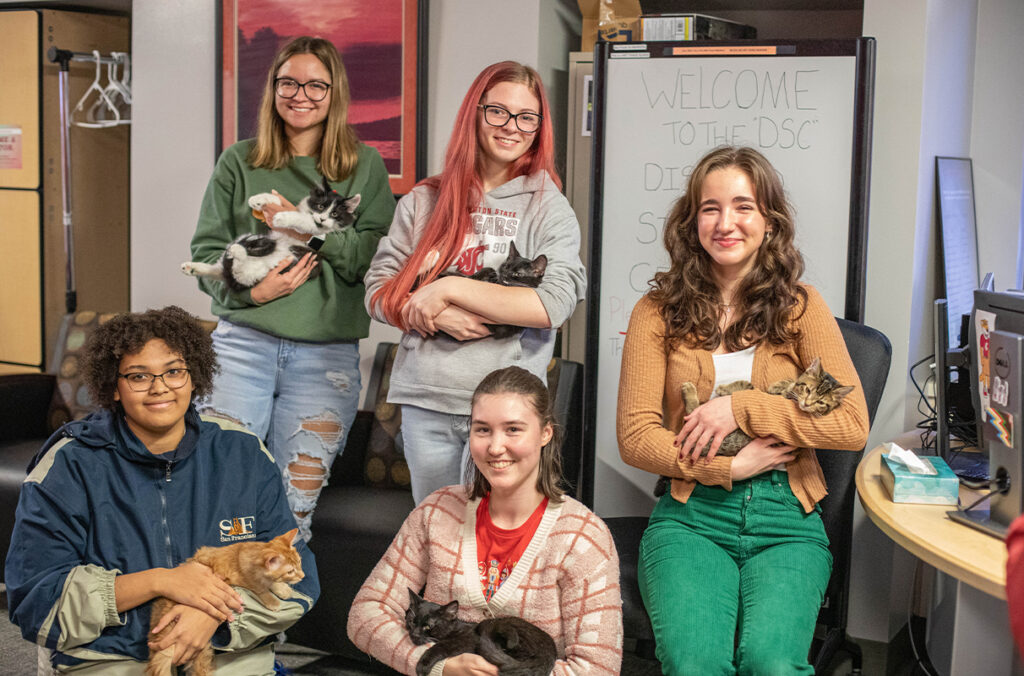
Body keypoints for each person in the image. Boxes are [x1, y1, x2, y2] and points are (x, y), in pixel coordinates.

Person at [616, 146, 870, 674]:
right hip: (691, 517)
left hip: (787, 521)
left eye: (743, 206)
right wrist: (727, 466)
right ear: (691, 222)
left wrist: (742, 409)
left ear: (769, 223)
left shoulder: (801, 307)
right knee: (694, 664)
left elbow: (849, 424)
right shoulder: (656, 312)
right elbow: (637, 437)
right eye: (710, 208)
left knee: (772, 664)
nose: (725, 223)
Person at [5, 306, 319, 675]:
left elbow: (300, 585)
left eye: (174, 371)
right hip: (110, 659)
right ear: (114, 387)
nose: (160, 387)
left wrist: (211, 618)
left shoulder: (243, 453)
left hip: (229, 656)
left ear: (193, 376)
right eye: (139, 376)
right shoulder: (69, 466)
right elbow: (36, 600)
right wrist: (161, 581)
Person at [189, 36, 396, 540]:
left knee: (292, 513)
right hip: (241, 349)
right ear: (273, 89)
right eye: (288, 82)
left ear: (335, 93)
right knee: (225, 503)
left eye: (315, 85)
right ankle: (222, 619)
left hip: (323, 362)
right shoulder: (239, 161)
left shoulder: (362, 165)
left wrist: (309, 231)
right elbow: (206, 253)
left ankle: (277, 621)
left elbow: (377, 259)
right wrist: (249, 295)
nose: (300, 94)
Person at [364, 61, 586, 504]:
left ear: (539, 127)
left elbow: (552, 306)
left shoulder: (548, 207)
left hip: (505, 410)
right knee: (438, 536)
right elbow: (377, 289)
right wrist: (429, 313)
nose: (512, 127)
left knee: (496, 540)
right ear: (475, 113)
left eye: (527, 117)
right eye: (498, 112)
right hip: (426, 398)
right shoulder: (426, 199)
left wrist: (447, 289)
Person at [347, 366, 622, 675]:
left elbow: (598, 668)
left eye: (513, 429)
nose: (495, 447)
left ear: (546, 433)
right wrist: (441, 667)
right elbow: (365, 614)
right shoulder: (437, 511)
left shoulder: (584, 538)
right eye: (482, 429)